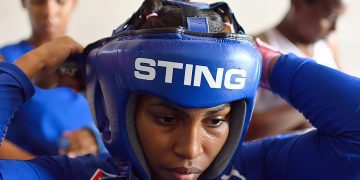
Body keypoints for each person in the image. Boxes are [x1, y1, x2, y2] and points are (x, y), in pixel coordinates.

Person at [0, 0, 359, 179]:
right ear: (118, 113)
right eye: (166, 118)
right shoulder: (75, 176)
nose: (189, 149)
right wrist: (27, 68)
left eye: (215, 121)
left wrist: (257, 59)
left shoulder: (251, 166)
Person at [0, 0, 104, 159]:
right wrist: (49, 171)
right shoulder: (7, 62)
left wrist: (98, 140)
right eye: (38, 2)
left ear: (74, 2)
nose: (49, 12)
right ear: (24, 2)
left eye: (60, 2)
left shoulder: (96, 63)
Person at [247, 0, 347, 140]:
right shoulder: (256, 49)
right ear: (299, 3)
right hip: (280, 156)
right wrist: (312, 107)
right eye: (328, 16)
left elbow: (341, 96)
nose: (334, 28)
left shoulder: (327, 43)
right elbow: (241, 131)